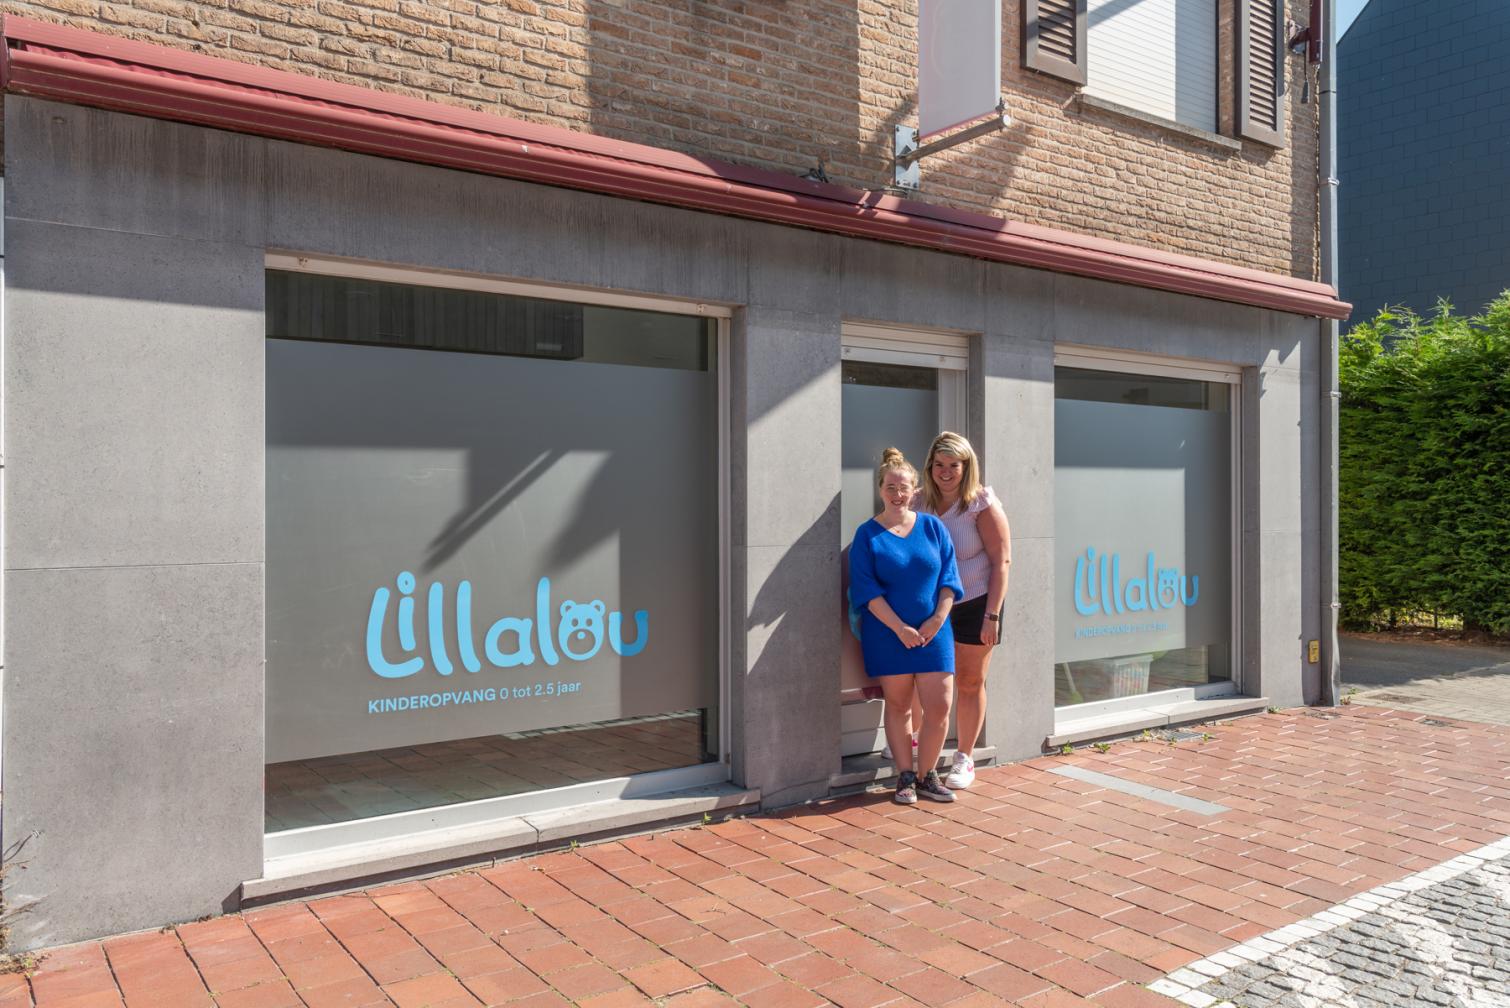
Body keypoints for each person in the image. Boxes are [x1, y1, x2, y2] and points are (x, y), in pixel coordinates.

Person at [849, 447, 964, 804]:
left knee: (940, 707)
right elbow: (866, 591)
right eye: (890, 487)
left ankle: (928, 775)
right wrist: (900, 628)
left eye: (903, 488)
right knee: (899, 707)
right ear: (880, 490)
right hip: (887, 635)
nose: (897, 494)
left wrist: (937, 619)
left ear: (914, 490)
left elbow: (949, 578)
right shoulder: (867, 535)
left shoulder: (933, 527)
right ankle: (905, 777)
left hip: (935, 634)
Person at [916, 431, 1010, 790]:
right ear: (930, 466)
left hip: (976, 603)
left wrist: (992, 615)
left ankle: (964, 758)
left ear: (966, 467)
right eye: (939, 464)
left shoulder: (980, 504)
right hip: (930, 606)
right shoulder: (918, 502)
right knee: (927, 679)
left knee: (970, 681)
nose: (945, 472)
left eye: (953, 465)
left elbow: (1002, 561)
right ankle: (917, 744)